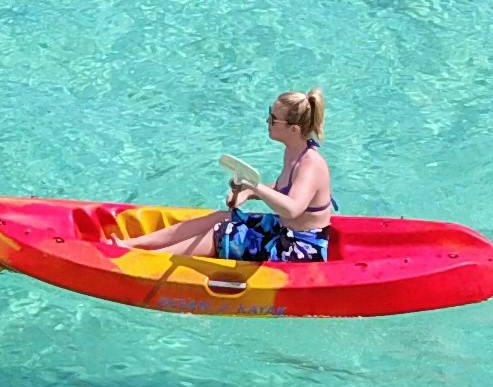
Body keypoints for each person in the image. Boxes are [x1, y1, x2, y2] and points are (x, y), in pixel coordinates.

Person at [121, 93, 334, 264]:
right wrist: (248, 193)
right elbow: (284, 190)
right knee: (223, 217)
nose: (267, 121)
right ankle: (134, 244)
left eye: (273, 119)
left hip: (300, 248)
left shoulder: (310, 164)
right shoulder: (293, 152)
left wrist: (255, 186)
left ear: (294, 129)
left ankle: (147, 260)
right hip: (283, 230)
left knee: (222, 233)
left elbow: (292, 209)